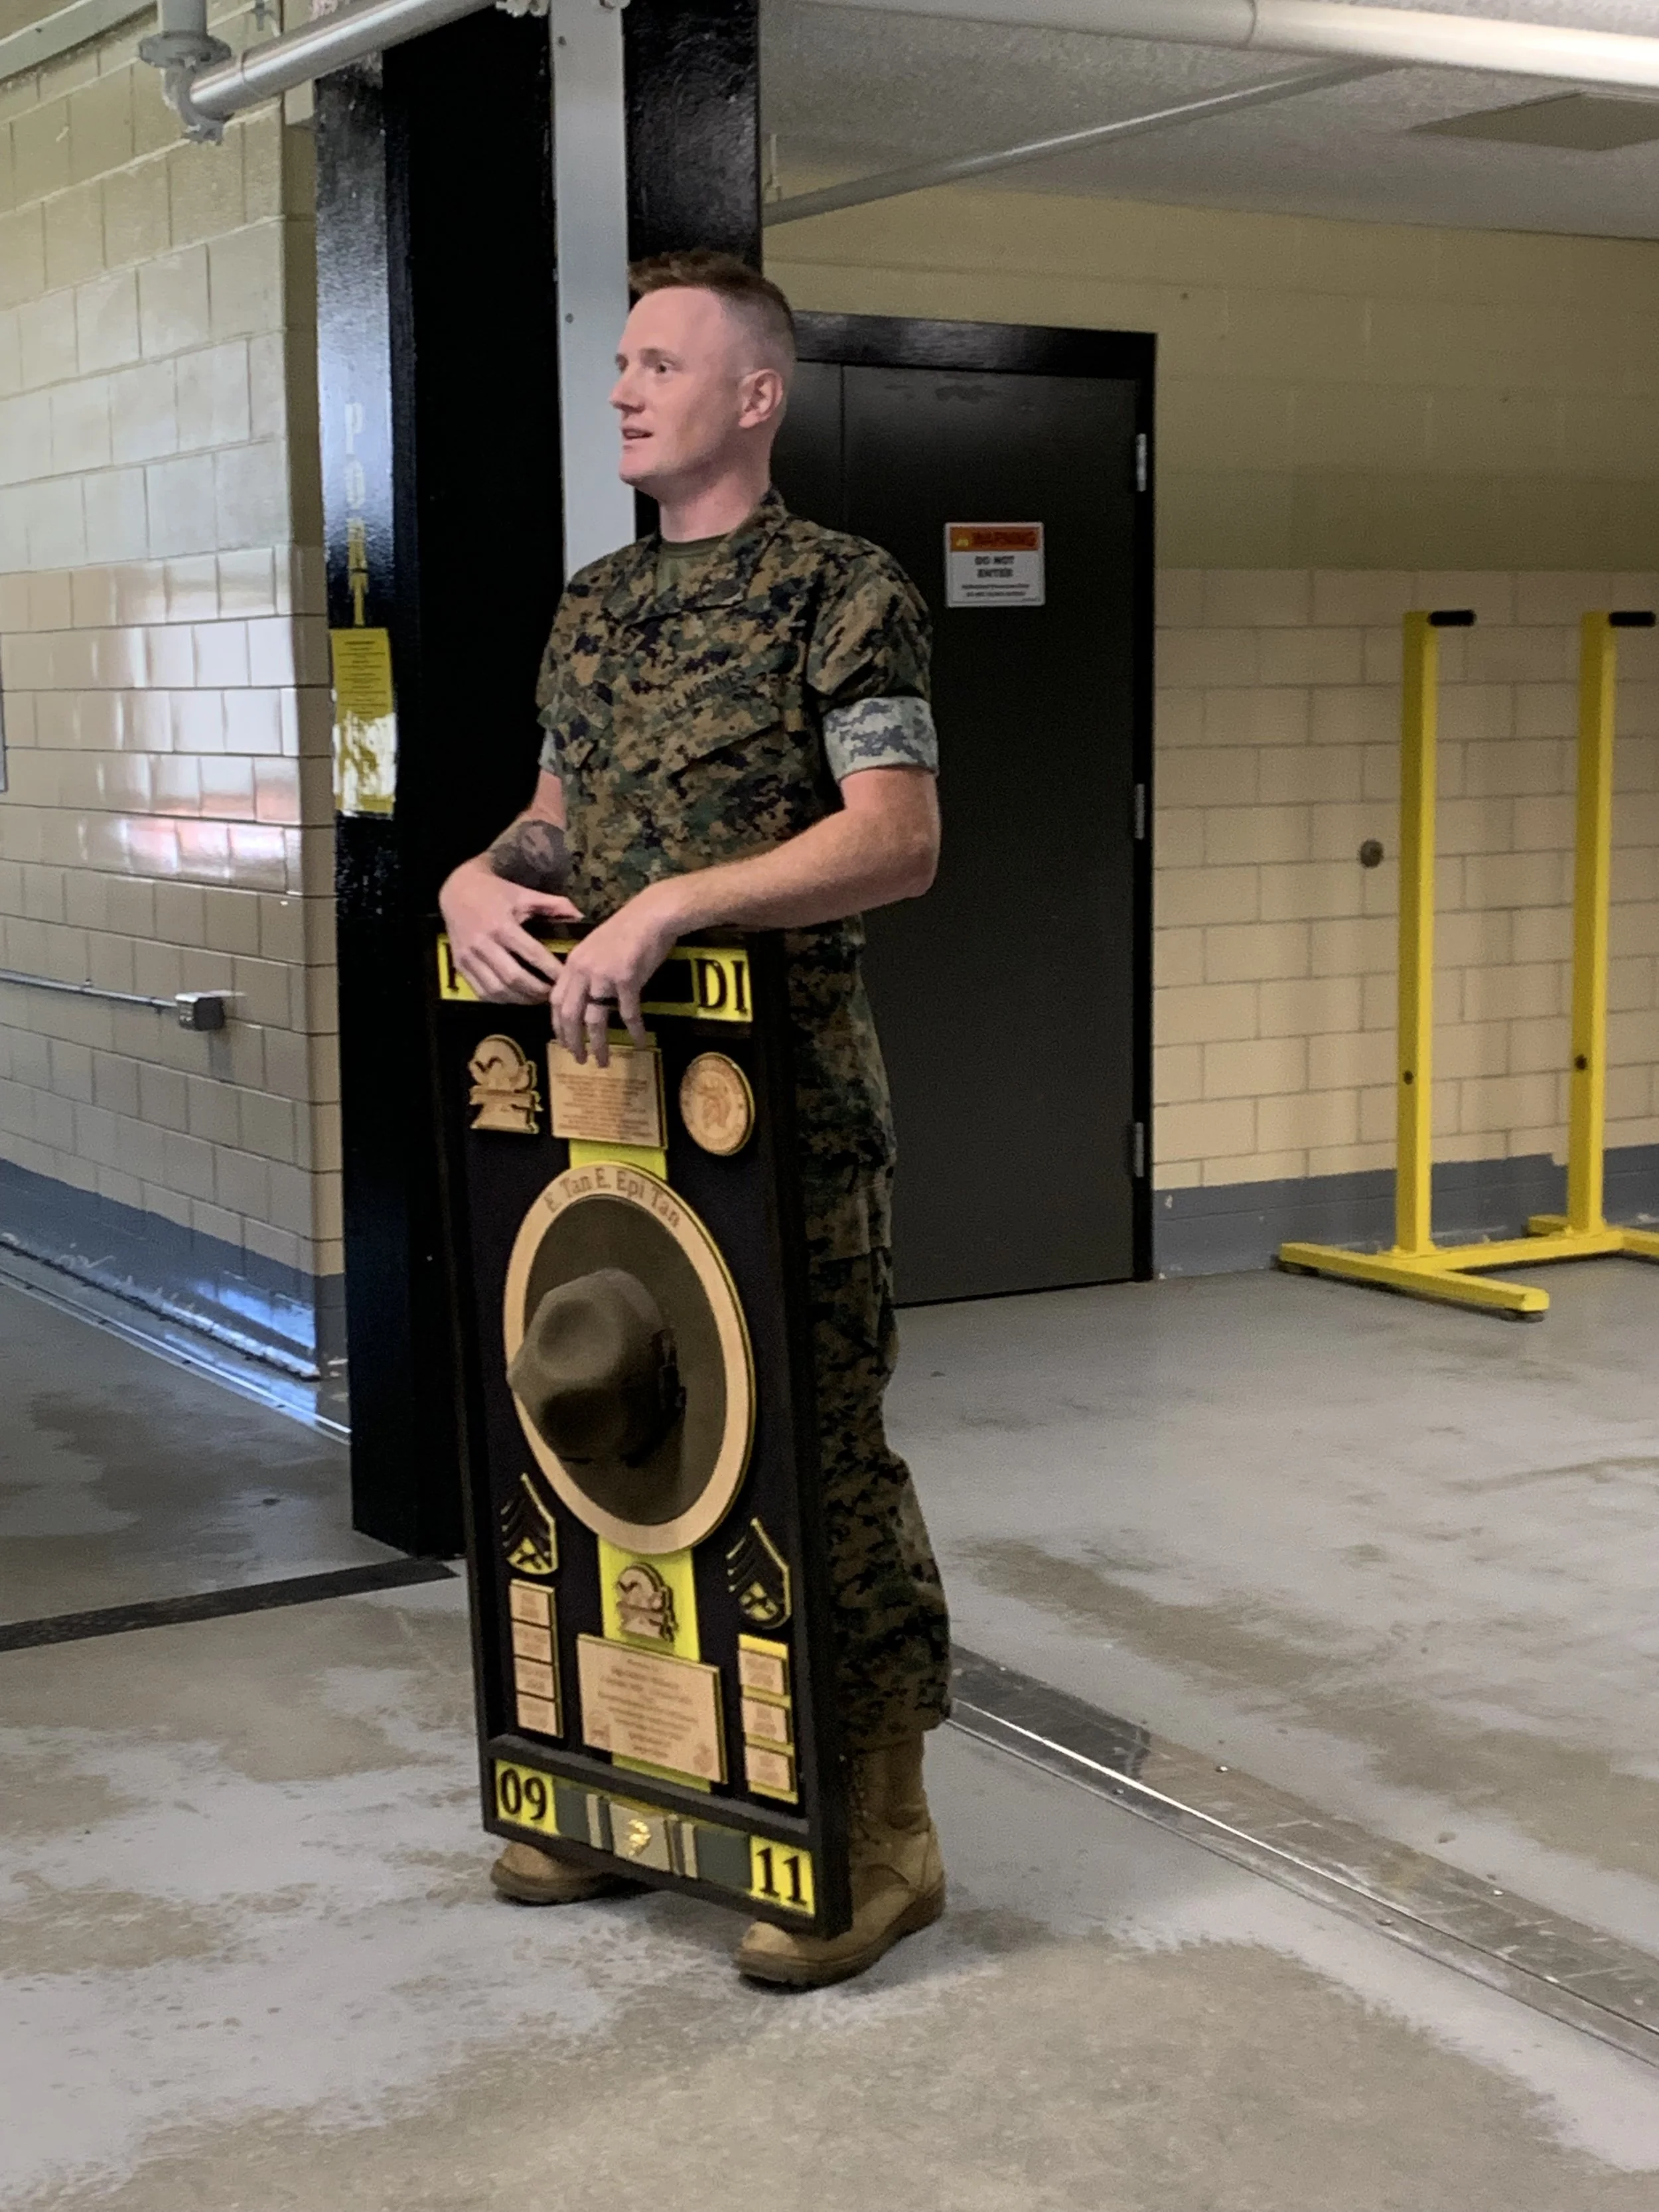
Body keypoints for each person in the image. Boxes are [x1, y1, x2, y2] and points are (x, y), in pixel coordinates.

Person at [438, 249, 950, 1988]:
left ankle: (877, 1836)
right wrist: (466, 876)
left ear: (754, 395)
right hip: (598, 1103)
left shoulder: (840, 590)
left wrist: (683, 905)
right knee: (600, 1427)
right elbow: (558, 821)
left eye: (660, 363)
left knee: (813, 1449)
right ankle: (609, 1778)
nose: (621, 389)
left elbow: (896, 834)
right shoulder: (591, 604)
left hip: (781, 1101)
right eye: (619, 364)